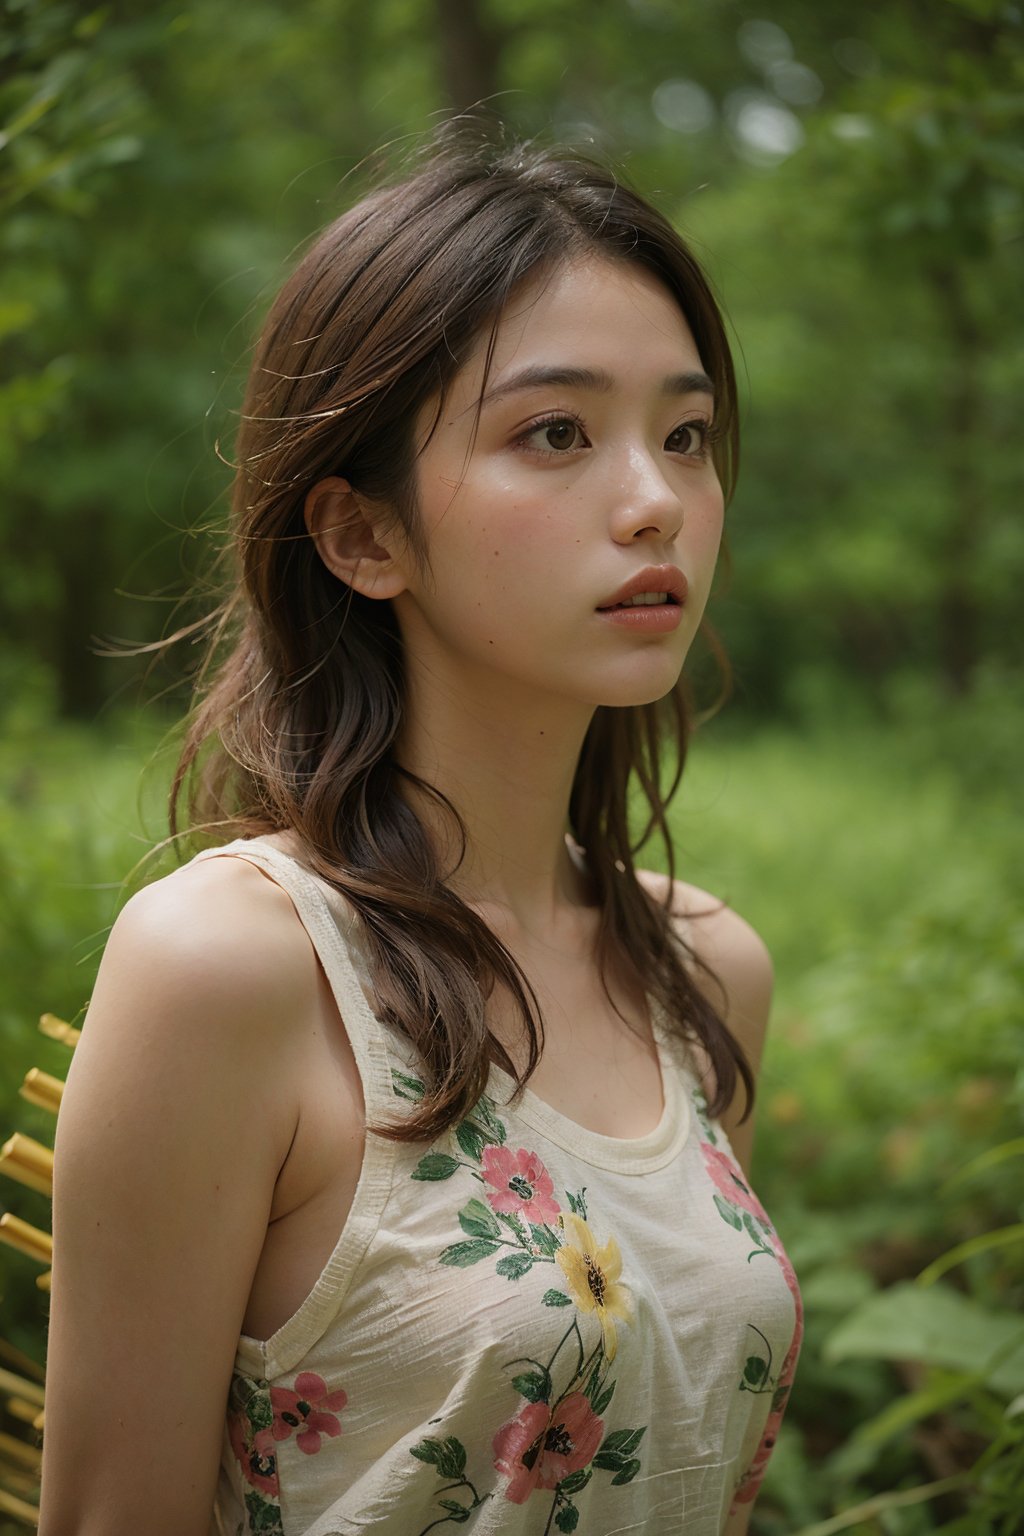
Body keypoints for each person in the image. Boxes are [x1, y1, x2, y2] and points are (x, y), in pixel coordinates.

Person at [40, 129, 802, 1536]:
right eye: (554, 433)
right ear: (361, 538)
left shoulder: (704, 973)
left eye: (684, 435)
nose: (656, 504)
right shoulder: (231, 970)